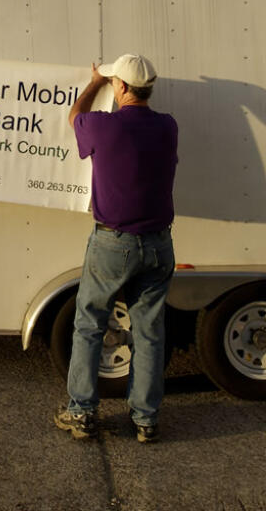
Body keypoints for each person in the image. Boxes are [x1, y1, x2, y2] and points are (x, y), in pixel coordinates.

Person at [54, 53, 178, 444]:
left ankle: (83, 413)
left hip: (113, 243)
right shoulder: (168, 127)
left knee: (90, 323)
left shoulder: (102, 126)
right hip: (159, 243)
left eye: (114, 82)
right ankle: (145, 419)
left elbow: (73, 116)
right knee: (149, 332)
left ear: (120, 86)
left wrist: (94, 83)